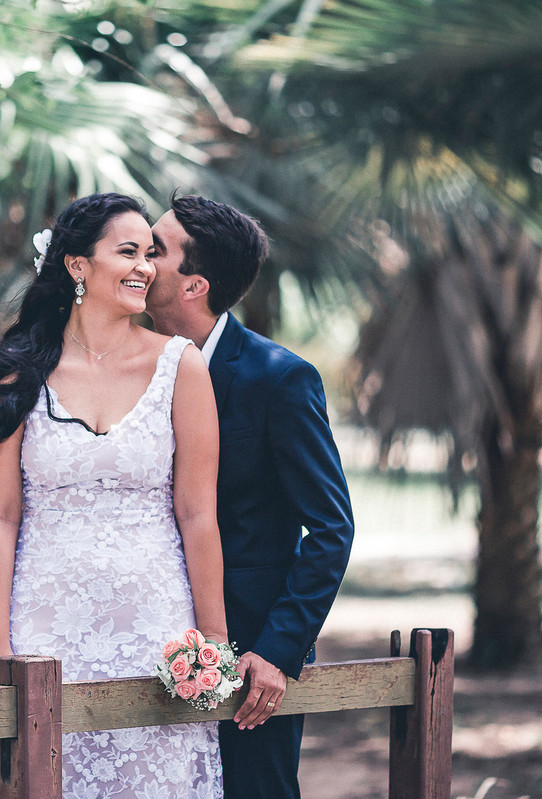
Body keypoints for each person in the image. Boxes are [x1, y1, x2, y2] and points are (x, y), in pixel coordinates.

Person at [0, 193, 229, 798]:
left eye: (150, 253)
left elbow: (198, 515)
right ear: (77, 265)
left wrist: (213, 647)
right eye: (126, 252)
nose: (145, 267)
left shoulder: (181, 367)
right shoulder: (16, 373)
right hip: (43, 628)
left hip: (155, 628)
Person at [146, 192, 355, 799]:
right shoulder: (128, 371)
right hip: (144, 633)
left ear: (193, 285)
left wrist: (278, 649)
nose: (138, 259)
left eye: (155, 250)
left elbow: (332, 527)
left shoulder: (279, 379)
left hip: (246, 657)